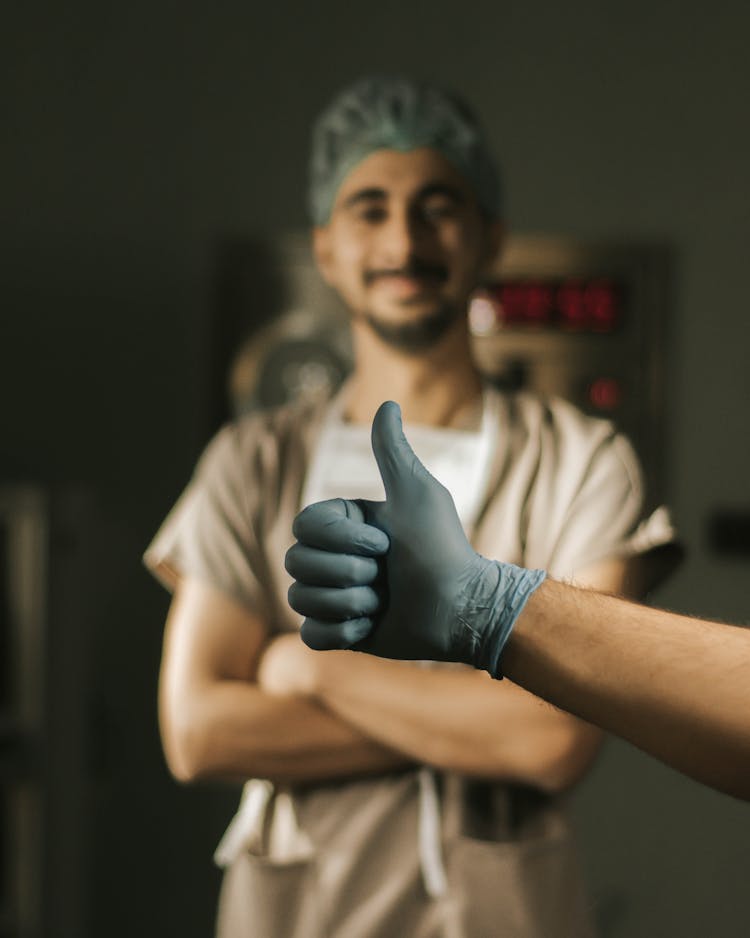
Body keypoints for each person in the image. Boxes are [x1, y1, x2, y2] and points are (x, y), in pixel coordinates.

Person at [145, 76, 679, 938]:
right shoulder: (252, 462)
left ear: (490, 237)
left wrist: (309, 671)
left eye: (438, 207)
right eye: (369, 207)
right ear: (325, 248)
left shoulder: (581, 461)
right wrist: (476, 717)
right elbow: (199, 731)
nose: (403, 238)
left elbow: (556, 744)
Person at [285, 401, 748, 802]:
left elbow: (551, 742)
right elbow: (209, 732)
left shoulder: (576, 453)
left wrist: (316, 674)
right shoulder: (263, 450)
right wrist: (481, 734)